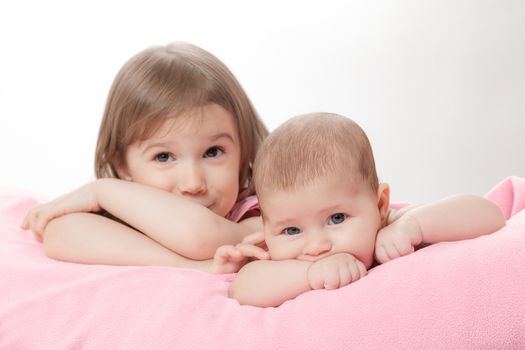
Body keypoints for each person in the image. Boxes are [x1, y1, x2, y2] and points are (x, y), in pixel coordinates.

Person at [21, 42, 270, 273]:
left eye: (213, 152)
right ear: (122, 163)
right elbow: (60, 235)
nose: (193, 183)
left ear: (244, 150)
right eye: (163, 157)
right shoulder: (129, 210)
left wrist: (102, 190)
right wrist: (192, 266)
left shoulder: (264, 217)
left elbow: (200, 237)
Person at [217, 113, 505, 307]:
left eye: (337, 218)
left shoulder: (395, 227)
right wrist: (311, 275)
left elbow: (490, 215)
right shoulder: (284, 263)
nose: (317, 246)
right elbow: (242, 289)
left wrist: (414, 226)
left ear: (379, 205)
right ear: (268, 229)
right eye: (291, 230)